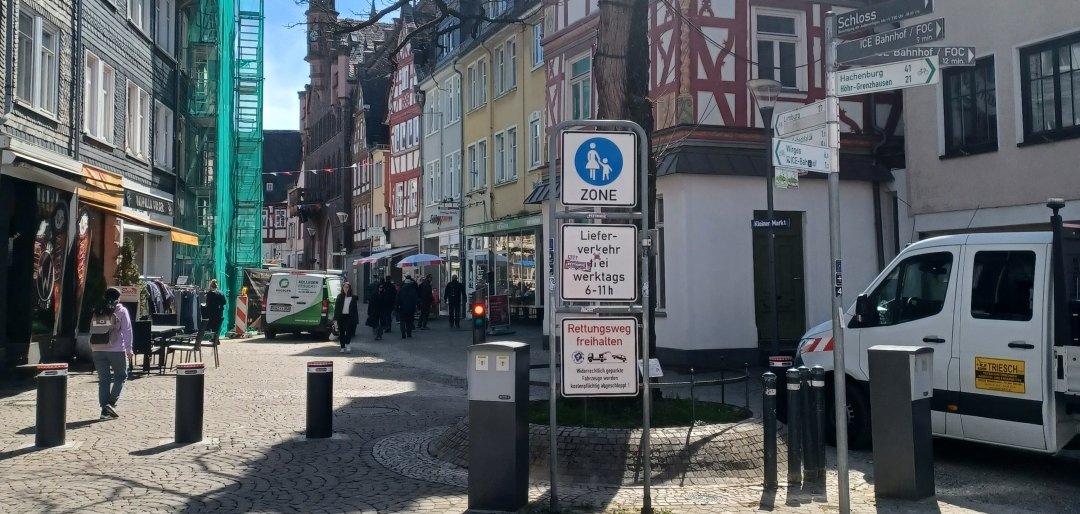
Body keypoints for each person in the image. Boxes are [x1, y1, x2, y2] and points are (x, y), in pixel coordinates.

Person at [90, 287, 133, 420]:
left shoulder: (98, 309)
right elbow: (127, 330)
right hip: (116, 349)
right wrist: (129, 348)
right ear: (118, 298)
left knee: (103, 380)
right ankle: (111, 403)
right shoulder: (121, 310)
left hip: (97, 348)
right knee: (121, 375)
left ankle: (104, 410)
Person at [334, 282, 360, 353]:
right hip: (341, 316)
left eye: (347, 287)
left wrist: (356, 319)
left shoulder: (353, 297)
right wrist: (335, 318)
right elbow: (336, 308)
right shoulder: (339, 296)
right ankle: (342, 347)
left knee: (349, 332)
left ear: (349, 288)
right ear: (342, 288)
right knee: (341, 332)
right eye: (344, 287)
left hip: (349, 317)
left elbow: (355, 310)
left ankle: (348, 344)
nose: (346, 288)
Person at [204, 279, 227, 345]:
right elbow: (224, 302)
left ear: (211, 286)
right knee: (217, 326)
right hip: (219, 312)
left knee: (212, 326)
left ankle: (214, 338)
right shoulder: (221, 293)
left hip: (212, 312)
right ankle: (216, 339)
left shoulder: (210, 294)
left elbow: (207, 304)